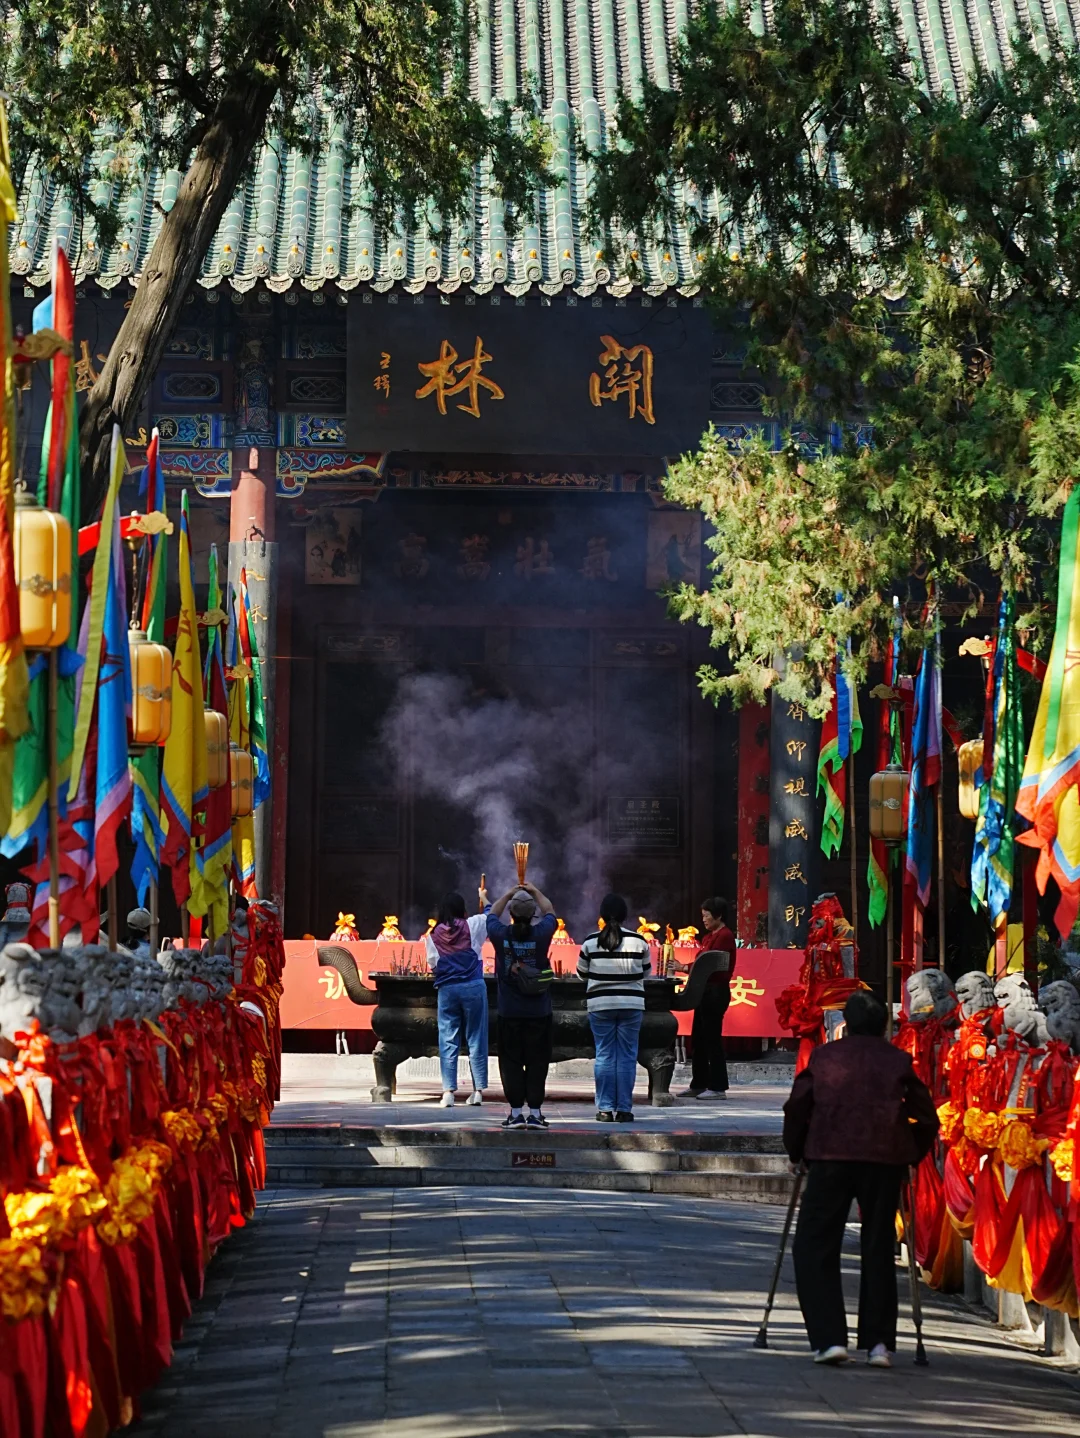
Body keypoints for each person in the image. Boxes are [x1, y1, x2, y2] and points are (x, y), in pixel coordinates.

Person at [782, 989, 939, 1368]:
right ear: (885, 1024)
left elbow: (797, 1106)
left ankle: (828, 1338)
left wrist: (797, 1151)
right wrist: (909, 1152)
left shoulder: (824, 1056)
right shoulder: (897, 1059)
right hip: (884, 1160)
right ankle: (879, 1343)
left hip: (829, 1157)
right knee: (878, 1246)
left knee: (815, 1246)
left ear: (846, 1024)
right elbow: (928, 1116)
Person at [485, 880, 557, 1130]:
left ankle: (516, 1112)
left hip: (509, 1011)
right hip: (539, 1012)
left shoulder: (499, 933)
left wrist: (510, 893)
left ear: (512, 915)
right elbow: (550, 911)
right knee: (538, 1061)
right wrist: (534, 890)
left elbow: (492, 912)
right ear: (532, 914)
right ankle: (535, 1113)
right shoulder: (542, 933)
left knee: (511, 1061)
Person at [577, 894, 652, 1122]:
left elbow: (582, 973)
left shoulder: (590, 942)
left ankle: (605, 1109)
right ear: (624, 915)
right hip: (631, 1005)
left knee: (605, 1055)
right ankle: (624, 1110)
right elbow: (645, 972)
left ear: (601, 915)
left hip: (600, 1006)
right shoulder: (639, 941)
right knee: (627, 1056)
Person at [426, 891, 489, 1108]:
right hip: (473, 987)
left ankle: (448, 1093)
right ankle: (478, 1090)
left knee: (448, 1040)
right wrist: (484, 898)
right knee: (476, 1038)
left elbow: (433, 966)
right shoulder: (473, 925)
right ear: (464, 910)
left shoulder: (433, 936)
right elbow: (492, 915)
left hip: (448, 990)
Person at [675, 896, 736, 1100]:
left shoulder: (725, 936)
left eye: (707, 916)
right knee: (699, 1039)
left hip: (716, 992)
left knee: (712, 1039)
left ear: (718, 915)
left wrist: (683, 967)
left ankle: (718, 1086)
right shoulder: (710, 936)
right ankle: (699, 1083)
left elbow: (709, 965)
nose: (704, 920)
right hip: (704, 990)